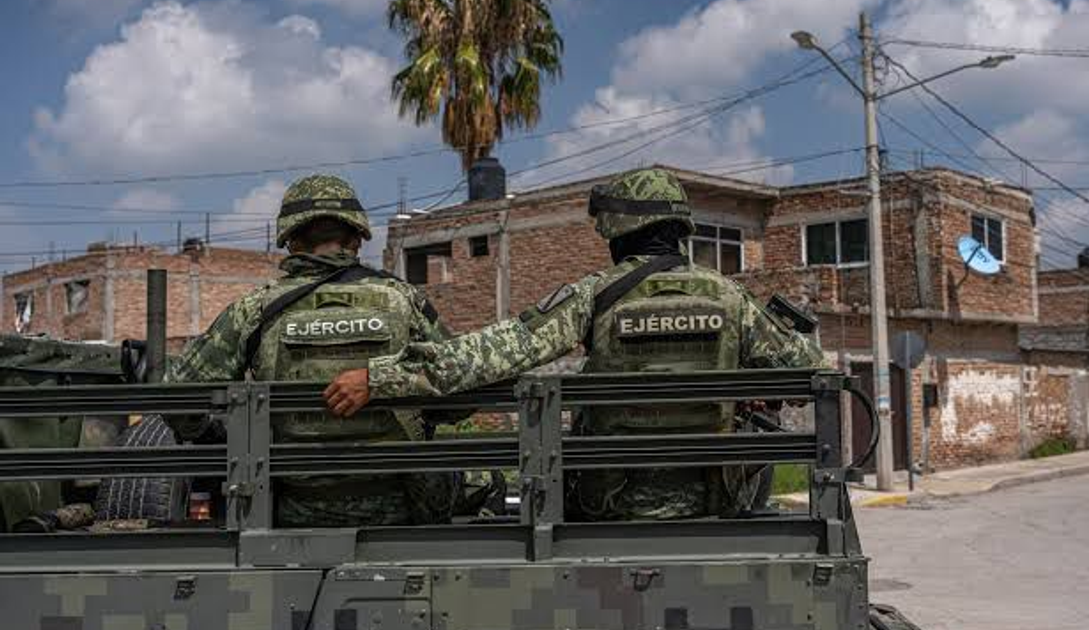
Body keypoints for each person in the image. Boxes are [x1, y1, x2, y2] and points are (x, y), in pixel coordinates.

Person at [324, 167, 825, 520]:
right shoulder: (733, 299)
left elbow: (493, 352)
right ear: (679, 229)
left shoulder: (596, 296)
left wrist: (381, 376)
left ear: (617, 230)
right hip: (712, 500)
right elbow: (809, 371)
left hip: (609, 503)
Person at [165, 174, 456, 527]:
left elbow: (178, 402)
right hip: (400, 511)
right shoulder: (405, 301)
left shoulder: (255, 310)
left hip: (294, 513)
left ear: (292, 242)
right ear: (356, 239)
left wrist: (212, 434)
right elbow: (458, 395)